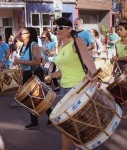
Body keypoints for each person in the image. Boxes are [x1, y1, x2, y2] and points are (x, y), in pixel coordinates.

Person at [45, 17, 97, 150]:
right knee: (68, 125)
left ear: (70, 29)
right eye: (55, 28)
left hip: (79, 88)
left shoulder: (77, 41)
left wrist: (94, 76)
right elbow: (63, 71)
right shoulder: (61, 47)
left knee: (74, 124)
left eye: (60, 27)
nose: (57, 30)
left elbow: (88, 59)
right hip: (64, 89)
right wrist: (51, 75)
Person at [14, 27, 52, 130]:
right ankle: (34, 121)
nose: (18, 35)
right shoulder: (23, 47)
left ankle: (51, 116)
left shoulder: (33, 45)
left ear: (28, 35)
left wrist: (20, 62)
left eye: (21, 33)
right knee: (29, 98)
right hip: (27, 73)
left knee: (40, 96)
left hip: (35, 73)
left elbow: (37, 62)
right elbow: (23, 61)